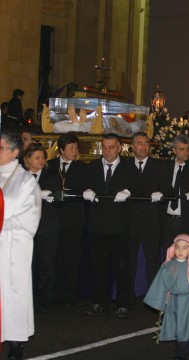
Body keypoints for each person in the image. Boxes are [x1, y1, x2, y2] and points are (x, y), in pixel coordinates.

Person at [83, 133, 134, 319]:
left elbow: (139, 186)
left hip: (119, 226)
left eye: (111, 147)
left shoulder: (129, 167)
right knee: (99, 267)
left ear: (120, 147)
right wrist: (85, 190)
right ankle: (100, 303)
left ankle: (123, 304)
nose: (107, 151)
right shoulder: (93, 166)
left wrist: (129, 191)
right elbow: (83, 183)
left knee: (121, 267)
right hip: (97, 226)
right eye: (104, 147)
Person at [0, 132, 41, 360]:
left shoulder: (25, 181)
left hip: (13, 248)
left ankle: (15, 341)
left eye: (1, 147)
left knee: (14, 293)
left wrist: (2, 225)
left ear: (15, 152)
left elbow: (30, 219)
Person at [47, 134, 88, 306]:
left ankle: (70, 294)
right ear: (61, 149)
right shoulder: (50, 165)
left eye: (76, 148)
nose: (74, 151)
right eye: (71, 148)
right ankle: (56, 292)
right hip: (54, 218)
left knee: (72, 256)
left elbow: (84, 188)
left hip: (73, 218)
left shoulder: (82, 168)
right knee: (55, 257)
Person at [128, 132, 167, 296]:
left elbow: (168, 188)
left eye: (146, 143)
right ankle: (126, 299)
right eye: (139, 143)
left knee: (153, 261)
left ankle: (154, 298)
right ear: (132, 146)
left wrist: (161, 193)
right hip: (130, 220)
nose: (143, 147)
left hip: (151, 220)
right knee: (128, 260)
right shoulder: (125, 165)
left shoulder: (160, 166)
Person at [24, 143, 60, 313]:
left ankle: (46, 300)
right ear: (28, 159)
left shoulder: (51, 176)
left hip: (47, 226)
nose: (41, 161)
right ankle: (27, 299)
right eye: (37, 157)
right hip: (25, 227)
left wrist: (51, 196)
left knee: (46, 263)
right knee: (26, 264)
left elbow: (59, 196)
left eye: (42, 157)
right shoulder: (21, 176)